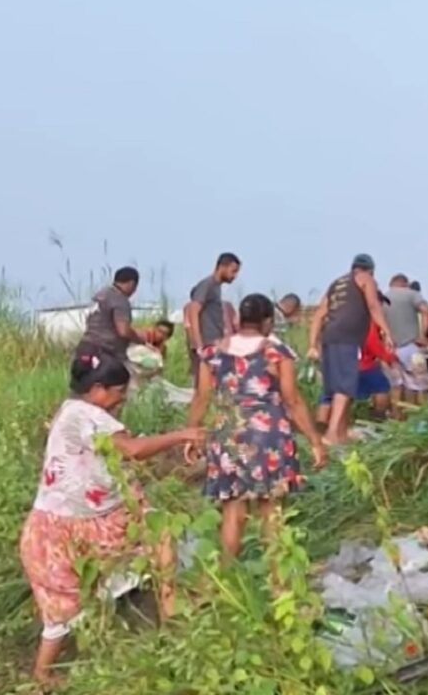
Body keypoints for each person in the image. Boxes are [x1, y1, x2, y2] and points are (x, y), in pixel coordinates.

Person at [20, 350, 204, 684]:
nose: (123, 399)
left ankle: (171, 626)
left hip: (79, 521)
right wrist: (183, 435)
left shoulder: (72, 410)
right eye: (120, 392)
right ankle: (43, 675)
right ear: (99, 389)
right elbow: (131, 450)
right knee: (65, 603)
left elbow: (117, 462)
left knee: (158, 537)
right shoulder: (87, 414)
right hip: (69, 527)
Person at [186, 295, 327, 563]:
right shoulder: (276, 352)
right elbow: (292, 400)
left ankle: (228, 581)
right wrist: (315, 441)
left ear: (239, 319)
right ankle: (278, 585)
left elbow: (201, 398)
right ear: (267, 322)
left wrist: (191, 435)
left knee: (232, 510)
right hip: (268, 436)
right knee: (270, 508)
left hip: (228, 435)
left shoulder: (212, 353)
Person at [308, 254, 394, 445]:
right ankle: (331, 434)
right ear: (370, 270)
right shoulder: (366, 279)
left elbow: (318, 315)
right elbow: (373, 306)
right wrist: (386, 331)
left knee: (336, 387)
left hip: (329, 338)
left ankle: (341, 433)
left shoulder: (336, 284)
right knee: (345, 388)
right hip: (347, 339)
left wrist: (313, 345)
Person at [316, 319, 398, 426]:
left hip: (334, 364)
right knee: (381, 388)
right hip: (362, 365)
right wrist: (389, 358)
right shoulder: (364, 320)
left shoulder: (332, 320)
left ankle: (321, 426)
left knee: (329, 396)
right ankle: (379, 419)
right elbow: (371, 343)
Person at [186, 253, 242, 385]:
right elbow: (193, 312)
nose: (234, 276)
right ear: (222, 266)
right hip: (207, 345)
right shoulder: (207, 285)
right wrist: (199, 345)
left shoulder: (216, 287)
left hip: (215, 343)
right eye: (233, 271)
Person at [384, 274, 428, 408]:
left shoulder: (383, 297)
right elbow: (426, 311)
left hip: (391, 349)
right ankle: (422, 417)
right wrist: (423, 335)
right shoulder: (412, 294)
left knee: (398, 385)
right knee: (421, 385)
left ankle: (397, 417)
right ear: (405, 284)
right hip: (411, 346)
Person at [75, 267, 143, 359]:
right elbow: (123, 331)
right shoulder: (120, 299)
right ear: (132, 283)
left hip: (85, 347)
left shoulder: (101, 294)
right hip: (104, 352)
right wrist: (139, 340)